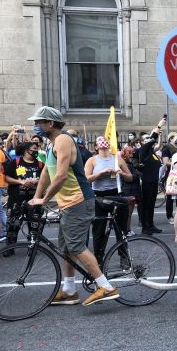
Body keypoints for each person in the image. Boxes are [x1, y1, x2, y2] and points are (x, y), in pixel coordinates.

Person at [27, 106, 118, 306]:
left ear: (50, 124)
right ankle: (69, 290)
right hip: (67, 202)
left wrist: (44, 199)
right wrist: (36, 197)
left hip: (79, 200)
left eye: (38, 122)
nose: (35, 127)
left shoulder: (63, 140)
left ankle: (105, 287)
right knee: (67, 248)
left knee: (76, 245)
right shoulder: (51, 144)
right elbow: (46, 173)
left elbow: (59, 175)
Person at [84, 136, 133, 265]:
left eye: (106, 146)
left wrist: (121, 173)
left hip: (116, 195)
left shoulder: (117, 159)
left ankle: (123, 257)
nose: (104, 149)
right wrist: (100, 174)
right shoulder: (92, 160)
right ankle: (98, 258)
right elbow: (86, 179)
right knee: (98, 230)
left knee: (121, 229)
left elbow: (130, 177)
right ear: (96, 147)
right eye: (101, 146)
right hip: (99, 196)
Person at [3, 142, 44, 255]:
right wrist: (20, 181)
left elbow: (46, 179)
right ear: (27, 150)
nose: (36, 151)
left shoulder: (40, 165)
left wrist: (37, 181)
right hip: (16, 200)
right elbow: (7, 177)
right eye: (34, 149)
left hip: (34, 200)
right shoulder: (15, 163)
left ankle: (33, 247)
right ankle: (9, 247)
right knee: (13, 224)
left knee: (34, 225)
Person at [137, 119, 166, 235]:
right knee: (146, 205)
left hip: (154, 181)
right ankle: (145, 227)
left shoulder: (151, 152)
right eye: (144, 139)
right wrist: (158, 126)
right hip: (147, 182)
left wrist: (158, 134)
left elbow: (157, 144)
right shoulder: (142, 150)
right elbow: (151, 140)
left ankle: (151, 224)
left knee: (151, 205)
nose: (147, 140)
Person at [120, 145, 141, 235]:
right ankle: (126, 230)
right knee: (128, 213)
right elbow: (132, 176)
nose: (132, 155)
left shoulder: (130, 163)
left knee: (129, 212)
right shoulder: (126, 164)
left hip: (131, 190)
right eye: (130, 153)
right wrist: (136, 174)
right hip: (128, 190)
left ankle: (127, 229)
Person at [161, 132, 177, 225]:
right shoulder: (166, 148)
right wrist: (176, 163)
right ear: (171, 138)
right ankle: (169, 216)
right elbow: (165, 162)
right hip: (171, 174)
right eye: (176, 137)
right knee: (170, 197)